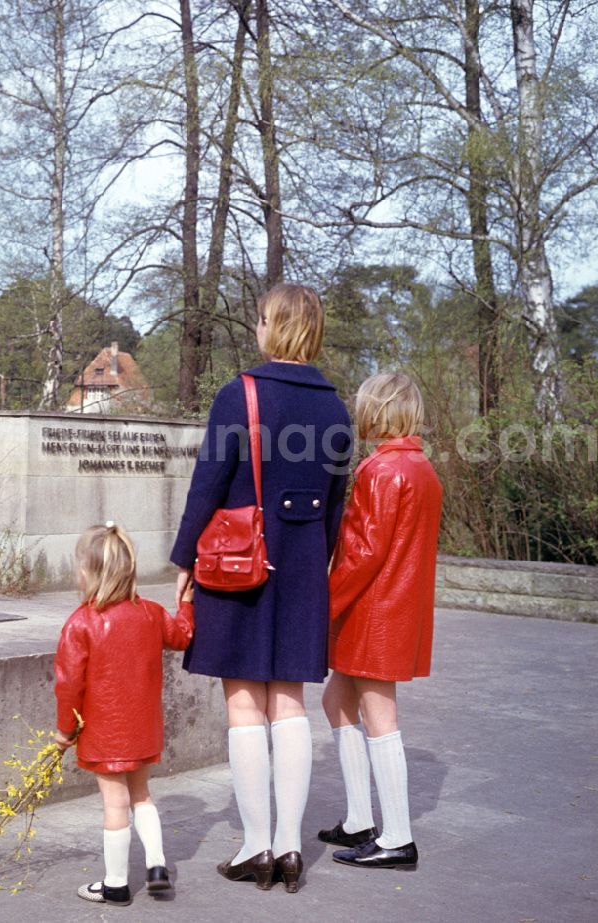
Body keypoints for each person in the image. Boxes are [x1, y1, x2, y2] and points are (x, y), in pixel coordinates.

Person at [169, 283, 352, 893]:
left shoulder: (238, 393)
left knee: (244, 701)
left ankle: (256, 845)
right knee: (290, 703)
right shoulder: (335, 408)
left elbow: (207, 484)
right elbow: (336, 506)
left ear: (272, 325)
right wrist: (312, 562)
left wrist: (185, 557)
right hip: (302, 565)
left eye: (261, 319)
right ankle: (293, 848)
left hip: (237, 562)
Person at [319, 372, 443, 871]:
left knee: (379, 717)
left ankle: (396, 836)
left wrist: (322, 603)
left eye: (363, 405)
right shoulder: (421, 468)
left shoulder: (380, 470)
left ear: (378, 410)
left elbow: (362, 551)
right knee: (337, 700)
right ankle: (359, 821)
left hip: (374, 610)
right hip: (396, 607)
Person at [54, 522, 195, 907]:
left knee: (114, 804)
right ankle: (156, 864)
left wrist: (65, 731)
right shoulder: (150, 614)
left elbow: (69, 685)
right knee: (142, 796)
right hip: (143, 727)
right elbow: (183, 635)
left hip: (105, 733)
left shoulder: (80, 623)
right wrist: (186, 602)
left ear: (88, 572)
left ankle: (115, 884)